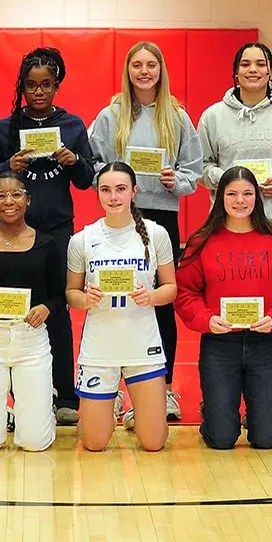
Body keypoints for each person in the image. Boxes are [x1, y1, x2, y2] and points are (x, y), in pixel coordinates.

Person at [197, 41, 272, 418]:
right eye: (245, 63)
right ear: (235, 72)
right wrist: (232, 181)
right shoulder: (214, 116)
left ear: (270, 70)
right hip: (226, 228)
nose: (252, 70)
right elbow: (202, 166)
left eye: (260, 63)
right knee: (227, 300)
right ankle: (221, 390)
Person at [0, 47, 95, 426]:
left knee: (56, 309)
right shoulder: (4, 129)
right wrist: (6, 166)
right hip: (13, 233)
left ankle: (65, 395)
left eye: (46, 84)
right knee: (12, 309)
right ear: (22, 88)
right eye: (31, 85)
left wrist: (74, 161)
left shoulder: (73, 125)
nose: (39, 92)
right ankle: (12, 397)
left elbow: (85, 180)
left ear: (57, 85)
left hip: (58, 232)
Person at [89, 41, 201, 424]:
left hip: (161, 216)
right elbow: (95, 164)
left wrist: (176, 180)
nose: (144, 71)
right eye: (136, 65)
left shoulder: (178, 117)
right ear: (128, 70)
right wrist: (113, 181)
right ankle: (114, 390)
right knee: (113, 298)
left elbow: (194, 171)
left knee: (157, 302)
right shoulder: (111, 115)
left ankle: (163, 389)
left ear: (161, 70)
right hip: (120, 215)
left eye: (151, 65)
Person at [175, 166, 272, 449]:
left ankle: (260, 416)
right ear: (220, 197)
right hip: (220, 344)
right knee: (221, 439)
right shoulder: (201, 242)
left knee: (266, 439)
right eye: (232, 194)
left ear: (257, 197)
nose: (240, 201)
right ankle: (214, 413)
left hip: (266, 343)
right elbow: (185, 294)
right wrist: (206, 319)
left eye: (247, 193)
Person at [66, 162, 176, 451]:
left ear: (133, 192)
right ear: (98, 194)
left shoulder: (156, 234)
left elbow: (171, 288)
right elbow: (71, 293)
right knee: (94, 442)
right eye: (106, 190)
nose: (113, 196)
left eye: (120, 189)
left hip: (142, 344)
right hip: (100, 348)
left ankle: (134, 409)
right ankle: (104, 403)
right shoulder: (82, 239)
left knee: (153, 442)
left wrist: (150, 297)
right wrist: (85, 298)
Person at [0, 172, 63, 451]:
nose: (9, 201)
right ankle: (1, 415)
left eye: (16, 194)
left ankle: (38, 414)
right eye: (1, 195)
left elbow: (58, 295)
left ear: (28, 200)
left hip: (30, 341)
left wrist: (46, 307)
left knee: (34, 443)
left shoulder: (47, 244)